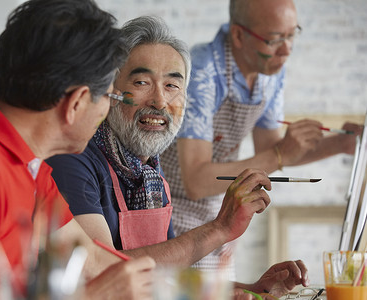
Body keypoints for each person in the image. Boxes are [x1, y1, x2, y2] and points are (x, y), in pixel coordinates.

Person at [47, 15, 310, 299]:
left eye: (172, 86)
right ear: (110, 91)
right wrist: (220, 228)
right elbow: (102, 276)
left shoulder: (152, 174)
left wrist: (251, 289)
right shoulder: (72, 162)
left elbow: (168, 280)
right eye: (142, 82)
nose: (159, 101)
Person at [0, 0, 156, 299]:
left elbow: (90, 260)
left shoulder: (28, 164)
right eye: (110, 96)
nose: (107, 108)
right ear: (78, 102)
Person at [160, 0, 363, 271]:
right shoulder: (202, 70)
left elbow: (270, 149)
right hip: (173, 214)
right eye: (274, 39)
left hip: (219, 210)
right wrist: (279, 155)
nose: (286, 49)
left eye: (292, 35)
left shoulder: (269, 70)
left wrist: (342, 143)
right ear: (239, 35)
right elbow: (195, 180)